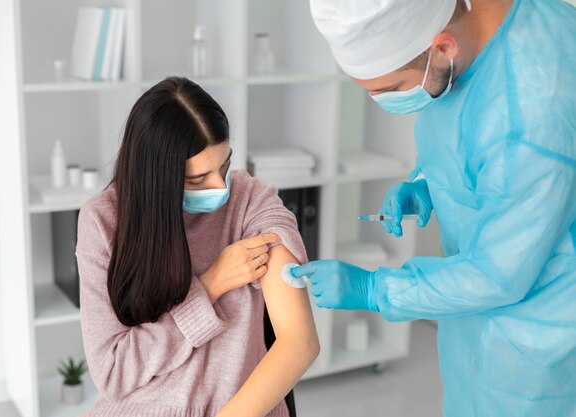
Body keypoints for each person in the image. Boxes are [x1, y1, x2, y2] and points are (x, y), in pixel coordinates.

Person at [291, 0, 576, 415]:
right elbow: (475, 131)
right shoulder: (478, 28)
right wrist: (428, 183)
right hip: (481, 318)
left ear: (443, 47)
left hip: (533, 346)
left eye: (389, 90)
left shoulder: (531, 115)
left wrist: (374, 289)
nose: (383, 102)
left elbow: (498, 274)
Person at [76, 76, 319, 417]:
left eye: (224, 165)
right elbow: (113, 371)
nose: (220, 187)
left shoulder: (251, 201)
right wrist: (211, 285)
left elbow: (300, 342)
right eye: (197, 179)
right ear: (156, 177)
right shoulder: (103, 222)